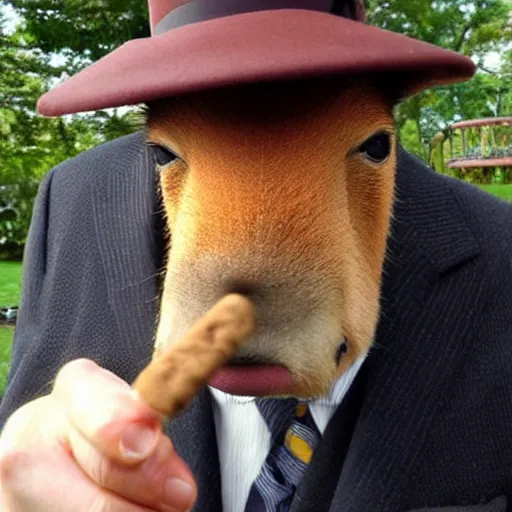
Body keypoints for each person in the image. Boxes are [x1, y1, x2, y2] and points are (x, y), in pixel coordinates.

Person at [1, 1, 512, 511]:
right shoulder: (74, 198)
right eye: (165, 154)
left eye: (371, 147)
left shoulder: (500, 249)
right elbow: (24, 416)